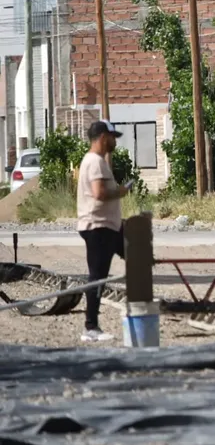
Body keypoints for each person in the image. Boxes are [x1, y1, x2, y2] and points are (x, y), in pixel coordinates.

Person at [77, 120, 131, 342]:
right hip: (98, 228)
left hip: (108, 226)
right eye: (112, 137)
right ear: (101, 138)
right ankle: (91, 327)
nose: (114, 141)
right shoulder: (95, 163)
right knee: (97, 277)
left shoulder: (96, 161)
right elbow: (99, 193)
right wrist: (121, 191)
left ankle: (141, 305)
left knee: (136, 253)